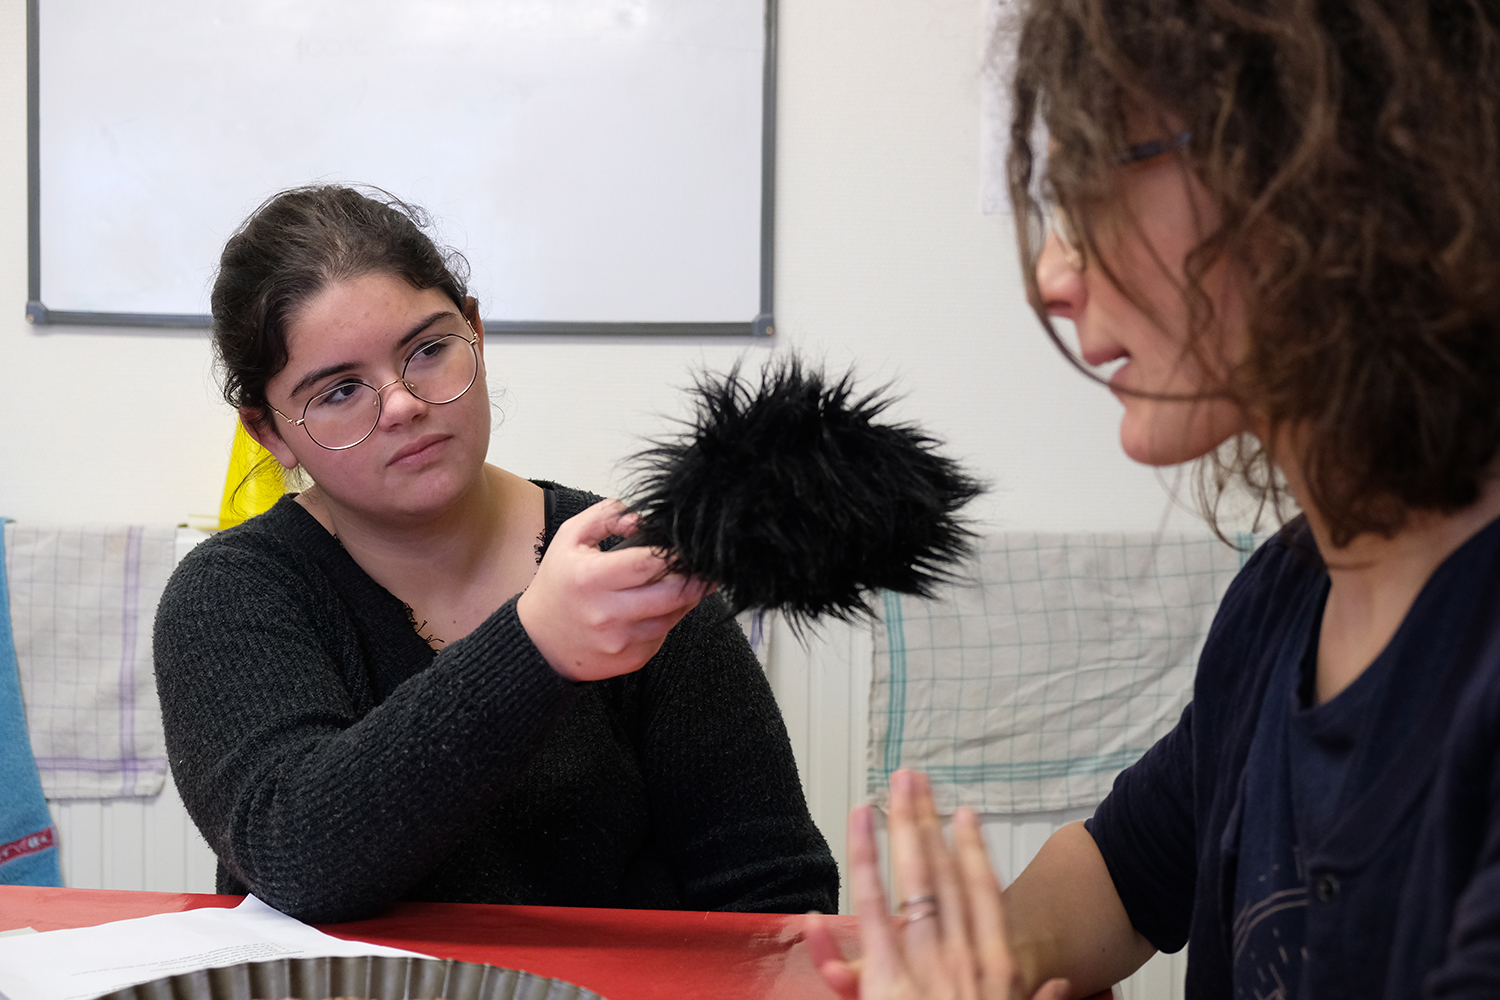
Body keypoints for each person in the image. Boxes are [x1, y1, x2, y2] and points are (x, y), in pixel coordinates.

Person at [807, 0, 1500, 996]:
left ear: (1316, 164)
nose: (1052, 273)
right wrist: (957, 962)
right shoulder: (1280, 600)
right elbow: (1118, 875)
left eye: (1094, 181)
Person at [153, 185, 838, 923]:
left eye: (429, 351)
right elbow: (298, 856)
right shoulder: (232, 592)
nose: (404, 403)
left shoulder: (626, 564)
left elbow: (776, 897)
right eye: (341, 389)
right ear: (270, 433)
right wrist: (537, 645)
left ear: (475, 332)